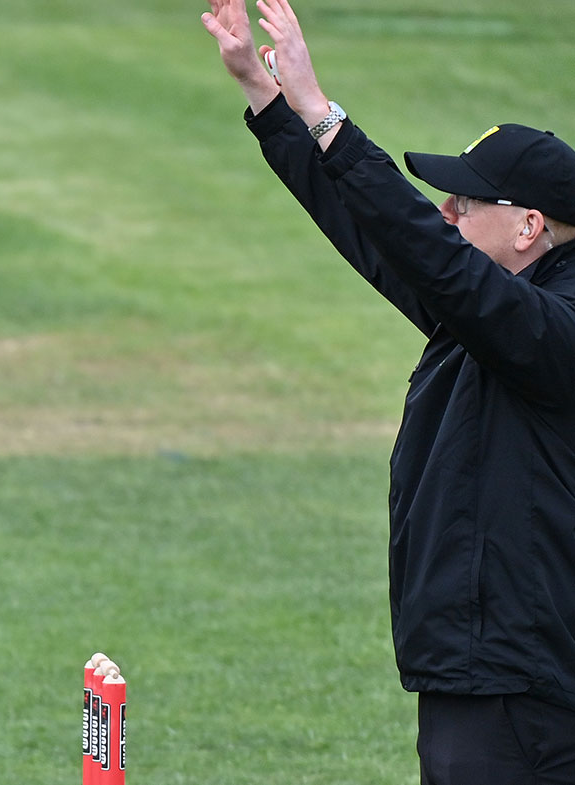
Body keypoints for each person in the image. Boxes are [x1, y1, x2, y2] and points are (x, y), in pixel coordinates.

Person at [202, 0, 575, 781]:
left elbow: (429, 253)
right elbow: (385, 240)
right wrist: (271, 106)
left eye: (465, 205)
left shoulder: (544, 329)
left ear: (529, 225)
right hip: (484, 669)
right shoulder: (495, 315)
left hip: (523, 682)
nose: (446, 214)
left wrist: (324, 114)